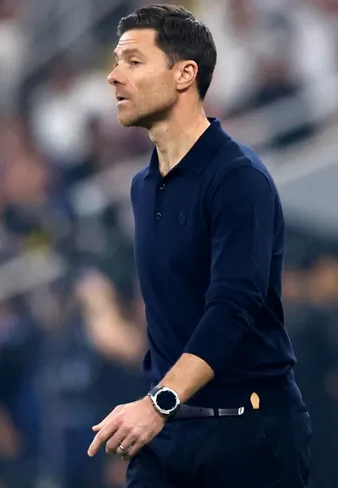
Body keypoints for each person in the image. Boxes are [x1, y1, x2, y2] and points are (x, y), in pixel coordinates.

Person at [87, 5, 311, 487]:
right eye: (116, 62)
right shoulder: (141, 187)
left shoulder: (237, 177)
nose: (114, 76)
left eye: (133, 61)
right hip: (169, 434)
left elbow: (233, 308)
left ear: (184, 74)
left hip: (249, 434)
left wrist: (158, 403)